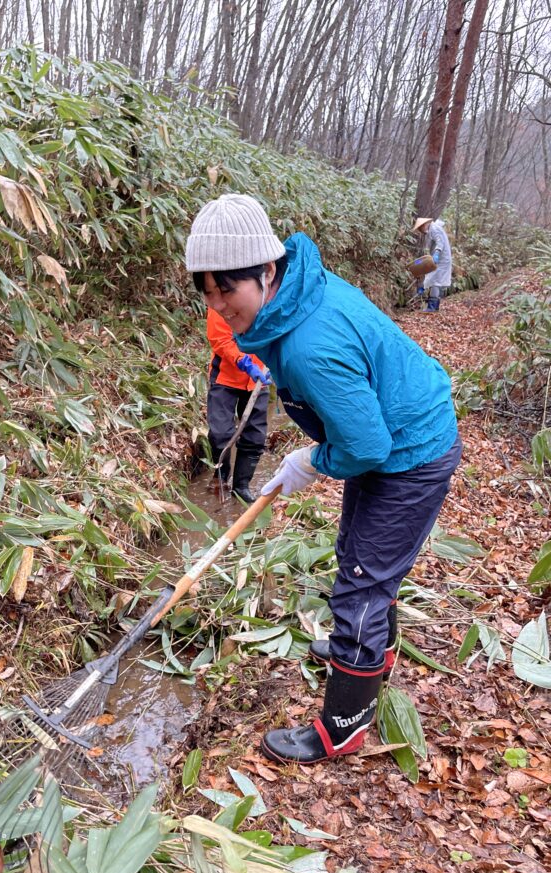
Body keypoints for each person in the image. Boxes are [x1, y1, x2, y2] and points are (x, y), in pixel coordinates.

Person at [185, 193, 461, 765]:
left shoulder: (312, 344)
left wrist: (311, 462)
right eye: (206, 292)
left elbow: (365, 445)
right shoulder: (297, 290)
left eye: (226, 290)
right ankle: (359, 652)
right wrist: (321, 453)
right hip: (389, 439)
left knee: (361, 579)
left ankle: (344, 722)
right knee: (358, 554)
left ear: (265, 270)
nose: (218, 306)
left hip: (410, 451)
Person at [205, 307, 271, 502]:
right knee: (220, 434)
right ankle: (221, 476)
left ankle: (241, 486)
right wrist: (244, 362)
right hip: (225, 377)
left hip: (259, 379)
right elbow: (220, 340)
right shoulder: (220, 301)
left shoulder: (268, 298)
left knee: (255, 436)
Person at [413, 216, 452, 312]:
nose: (421, 231)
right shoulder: (432, 230)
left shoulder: (434, 229)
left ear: (424, 225)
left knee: (435, 282)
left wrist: (437, 253)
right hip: (439, 260)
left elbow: (440, 242)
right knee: (433, 280)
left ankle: (432, 307)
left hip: (442, 260)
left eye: (420, 228)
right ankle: (435, 306)